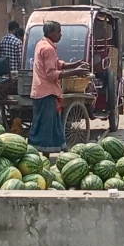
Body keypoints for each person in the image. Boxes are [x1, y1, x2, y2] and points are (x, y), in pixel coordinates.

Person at [30, 20, 88, 154]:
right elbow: (51, 74)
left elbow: (56, 63)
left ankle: (44, 153)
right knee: (47, 127)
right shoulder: (48, 49)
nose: (60, 35)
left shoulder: (41, 44)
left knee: (44, 125)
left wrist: (74, 64)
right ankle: (44, 156)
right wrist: (75, 72)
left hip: (39, 90)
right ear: (50, 33)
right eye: (58, 32)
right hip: (47, 92)